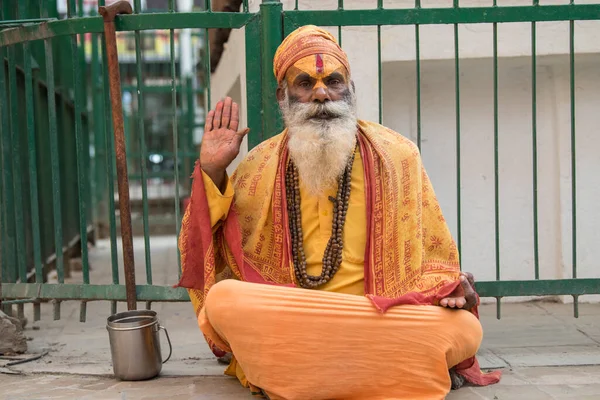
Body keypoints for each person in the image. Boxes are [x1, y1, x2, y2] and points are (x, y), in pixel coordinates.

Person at [176, 25, 501, 400]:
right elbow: (213, 248)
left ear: (350, 89)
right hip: (295, 314)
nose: (321, 94)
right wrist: (213, 170)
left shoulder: (398, 155)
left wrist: (449, 288)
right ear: (283, 95)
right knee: (224, 300)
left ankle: (299, 370)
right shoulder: (258, 165)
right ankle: (378, 369)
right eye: (304, 83)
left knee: (463, 328)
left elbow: (434, 255)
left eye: (333, 80)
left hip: (378, 313)